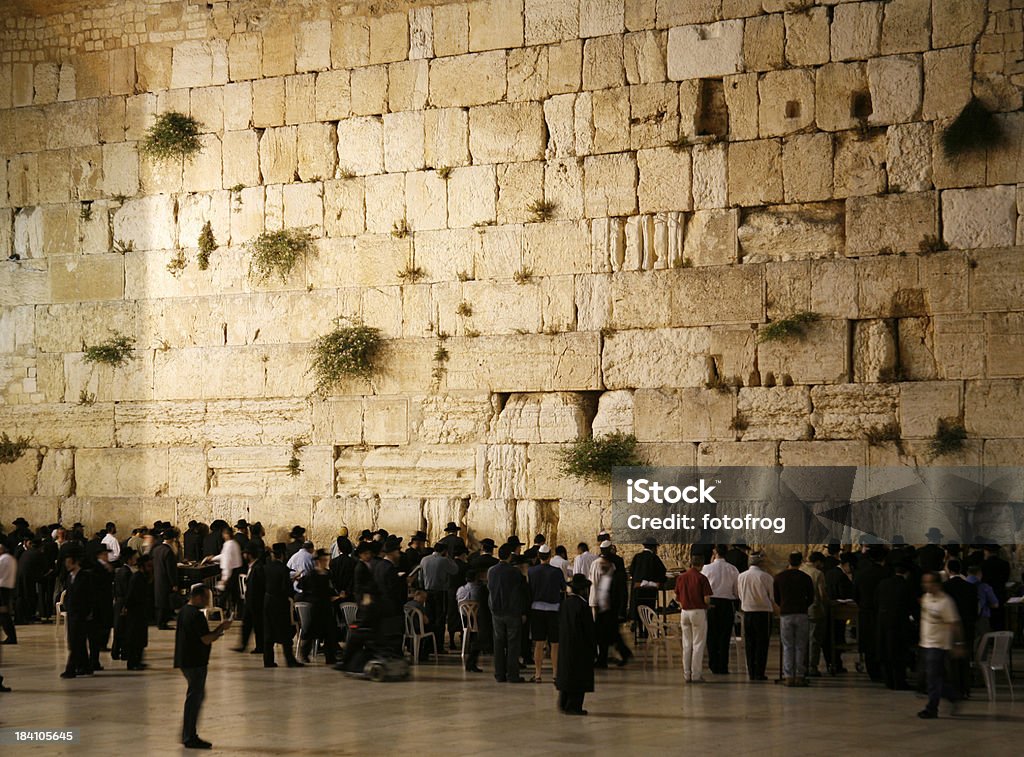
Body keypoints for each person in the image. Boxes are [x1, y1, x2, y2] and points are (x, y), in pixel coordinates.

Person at [174, 584, 232, 750]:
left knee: (196, 696)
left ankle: (187, 733)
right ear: (198, 597)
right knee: (195, 698)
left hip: (185, 660)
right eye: (206, 598)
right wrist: (221, 628)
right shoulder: (196, 616)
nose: (208, 601)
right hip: (195, 661)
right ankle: (189, 736)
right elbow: (206, 639)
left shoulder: (184, 611)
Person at [918, 571, 963, 719]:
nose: (927, 586)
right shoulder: (926, 598)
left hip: (938, 644)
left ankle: (932, 708)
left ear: (937, 584)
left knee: (933, 677)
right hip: (925, 642)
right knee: (933, 677)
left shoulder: (946, 601)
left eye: (930, 582)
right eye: (925, 582)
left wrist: (958, 643)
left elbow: (954, 623)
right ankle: (952, 695)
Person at [556, 574, 596, 716]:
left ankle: (563, 704)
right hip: (580, 646)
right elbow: (589, 629)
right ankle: (574, 706)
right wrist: (593, 647)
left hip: (566, 644)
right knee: (578, 677)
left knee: (567, 674)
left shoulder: (566, 603)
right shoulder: (582, 605)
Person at [774, 552, 815, 687]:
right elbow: (811, 597)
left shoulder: (779, 577)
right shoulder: (805, 577)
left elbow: (777, 598)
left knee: (787, 646)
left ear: (788, 561)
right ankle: (799, 675)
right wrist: (803, 606)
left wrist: (783, 605)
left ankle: (788, 676)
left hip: (786, 614)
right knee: (800, 645)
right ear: (801, 562)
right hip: (801, 613)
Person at [588, 541, 631, 668]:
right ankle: (608, 657)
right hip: (606, 607)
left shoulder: (614, 572)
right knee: (607, 634)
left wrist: (621, 611)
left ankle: (605, 658)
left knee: (606, 634)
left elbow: (620, 592)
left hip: (609, 608)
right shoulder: (608, 571)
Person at [488, 543, 527, 683]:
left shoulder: (491, 571)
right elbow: (519, 592)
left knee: (498, 643)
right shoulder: (514, 572)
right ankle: (512, 675)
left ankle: (499, 674)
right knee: (513, 644)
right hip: (512, 611)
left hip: (497, 611)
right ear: (510, 556)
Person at [528, 544, 566, 683]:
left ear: (539, 556)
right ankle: (556, 674)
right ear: (550, 556)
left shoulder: (532, 571)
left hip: (537, 609)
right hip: (553, 610)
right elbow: (563, 588)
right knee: (555, 644)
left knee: (539, 643)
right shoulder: (556, 572)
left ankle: (538, 674)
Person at [876, 562, 916, 690]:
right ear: (907, 573)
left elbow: (876, 601)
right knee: (898, 654)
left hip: (883, 622)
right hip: (899, 623)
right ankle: (899, 682)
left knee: (886, 652)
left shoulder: (883, 583)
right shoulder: (906, 585)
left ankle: (888, 681)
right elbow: (912, 606)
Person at [736, 552, 775, 681]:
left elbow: (740, 594)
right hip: (763, 613)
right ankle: (759, 672)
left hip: (747, 612)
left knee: (749, 643)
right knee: (762, 643)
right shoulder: (766, 577)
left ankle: (751, 671)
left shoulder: (741, 576)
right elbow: (772, 596)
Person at [263, 543, 302, 668]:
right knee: (285, 633)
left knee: (269, 633)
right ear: (283, 555)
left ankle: (268, 661)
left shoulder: (266, 567)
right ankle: (290, 660)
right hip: (280, 603)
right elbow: (286, 589)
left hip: (268, 601)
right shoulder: (283, 569)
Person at [701, 544, 739, 675]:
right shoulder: (733, 569)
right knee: (725, 635)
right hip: (727, 603)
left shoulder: (706, 568)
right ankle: (723, 665)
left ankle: (713, 664)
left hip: (712, 602)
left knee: (711, 634)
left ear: (715, 552)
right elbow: (736, 590)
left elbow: (702, 587)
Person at [298, 549, 340, 664]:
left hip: (326, 606)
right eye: (323, 560)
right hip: (316, 607)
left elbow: (330, 589)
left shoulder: (327, 574)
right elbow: (303, 586)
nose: (325, 562)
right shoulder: (312, 574)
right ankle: (304, 653)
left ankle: (330, 657)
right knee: (312, 631)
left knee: (329, 632)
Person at [675, 553, 712, 683]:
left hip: (684, 612)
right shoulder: (701, 578)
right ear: (701, 564)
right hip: (697, 611)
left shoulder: (681, 577)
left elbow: (677, 597)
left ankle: (686, 674)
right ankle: (696, 675)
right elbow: (706, 599)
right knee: (698, 644)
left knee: (686, 644)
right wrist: (709, 605)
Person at [61, 548, 93, 678]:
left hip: (81, 613)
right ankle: (85, 666)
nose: (66, 565)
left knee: (75, 641)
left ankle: (71, 669)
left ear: (75, 563)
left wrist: (89, 611)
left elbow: (90, 596)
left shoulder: (85, 577)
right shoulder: (70, 577)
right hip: (72, 613)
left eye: (68, 562)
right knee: (77, 641)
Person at [420, 542, 458, 652]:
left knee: (429, 618)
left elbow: (421, 576)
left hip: (427, 591)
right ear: (444, 551)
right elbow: (455, 570)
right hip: (440, 592)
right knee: (440, 619)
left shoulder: (424, 559)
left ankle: (428, 645)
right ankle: (438, 646)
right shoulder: (443, 560)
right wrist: (449, 558)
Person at [629, 537, 667, 638]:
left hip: (638, 591)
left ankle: (639, 629)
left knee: (638, 610)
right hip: (649, 592)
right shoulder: (654, 558)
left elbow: (631, 571)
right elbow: (662, 572)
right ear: (654, 548)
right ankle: (646, 630)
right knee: (648, 610)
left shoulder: (637, 557)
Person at [825, 553, 855, 673]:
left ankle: (831, 662)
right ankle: (837, 663)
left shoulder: (829, 573)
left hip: (829, 609)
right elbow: (845, 593)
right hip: (840, 610)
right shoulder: (841, 576)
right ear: (846, 565)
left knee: (830, 637)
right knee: (838, 637)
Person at [88, 544, 115, 671]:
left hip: (104, 603)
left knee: (103, 627)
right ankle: (94, 659)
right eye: (105, 554)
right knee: (97, 631)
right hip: (99, 604)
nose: (107, 556)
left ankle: (101, 647)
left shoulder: (104, 567)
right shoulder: (97, 568)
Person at [235, 545, 266, 655]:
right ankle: (243, 645)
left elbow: (260, 586)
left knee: (258, 625)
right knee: (247, 624)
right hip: (250, 601)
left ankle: (260, 647)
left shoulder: (258, 567)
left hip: (256, 602)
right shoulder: (252, 566)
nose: (243, 556)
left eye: (245, 554)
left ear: (249, 555)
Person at [801, 551, 828, 676]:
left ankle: (802, 665)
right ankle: (812, 666)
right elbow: (822, 594)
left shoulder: (800, 569)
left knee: (803, 639)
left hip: (801, 610)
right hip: (814, 610)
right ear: (817, 562)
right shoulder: (818, 573)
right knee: (814, 640)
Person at [151, 530, 179, 630]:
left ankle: (160, 621)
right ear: (172, 539)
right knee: (165, 602)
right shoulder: (168, 551)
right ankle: (162, 623)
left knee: (160, 601)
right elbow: (170, 569)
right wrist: (174, 583)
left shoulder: (157, 549)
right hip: (166, 580)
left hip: (158, 578)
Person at [0, 542, 16, 644]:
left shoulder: (3, 559)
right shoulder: (11, 558)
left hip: (2, 587)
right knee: (4, 614)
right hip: (8, 586)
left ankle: (11, 637)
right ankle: (11, 637)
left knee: (4, 614)